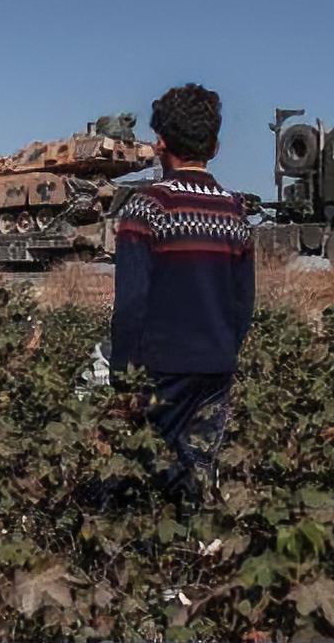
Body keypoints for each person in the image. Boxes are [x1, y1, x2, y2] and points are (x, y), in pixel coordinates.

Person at [110, 83, 255, 500]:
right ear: (216, 145)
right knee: (198, 474)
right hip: (216, 369)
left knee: (148, 481)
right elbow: (243, 303)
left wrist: (124, 374)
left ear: (160, 142)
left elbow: (132, 304)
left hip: (160, 371)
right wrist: (225, 350)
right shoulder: (234, 211)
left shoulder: (146, 208)